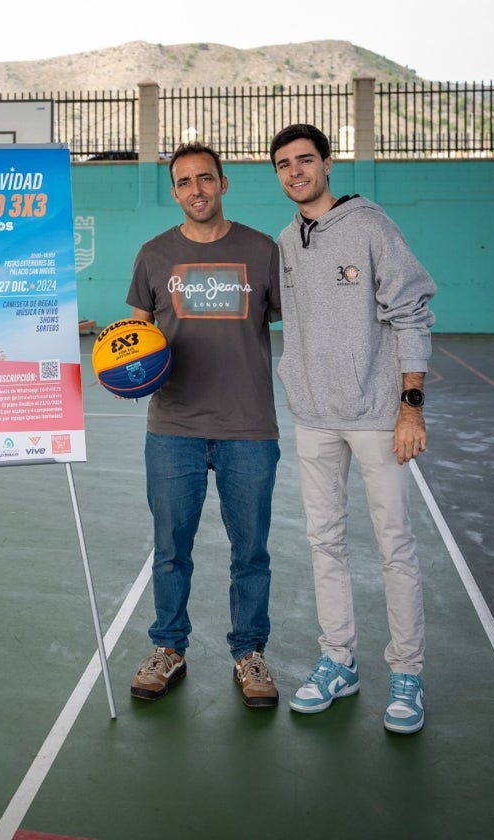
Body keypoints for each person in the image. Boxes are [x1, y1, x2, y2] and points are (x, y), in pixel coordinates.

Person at [268, 123, 436, 734]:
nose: (295, 173)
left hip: (374, 417)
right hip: (314, 419)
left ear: (328, 164)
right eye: (283, 164)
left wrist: (409, 406)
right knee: (324, 543)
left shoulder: (370, 226)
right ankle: (339, 660)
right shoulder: (287, 242)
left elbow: (411, 310)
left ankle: (408, 673)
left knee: (394, 545)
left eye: (305, 161)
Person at [125, 142, 282, 708]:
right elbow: (135, 335)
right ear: (175, 191)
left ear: (223, 183)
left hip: (249, 428)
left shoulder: (263, 251)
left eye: (206, 179)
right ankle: (169, 646)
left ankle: (250, 654)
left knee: (252, 552)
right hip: (173, 427)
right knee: (170, 548)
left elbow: (301, 325)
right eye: (185, 181)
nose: (196, 189)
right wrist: (127, 373)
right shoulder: (153, 255)